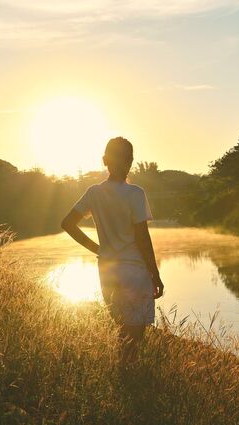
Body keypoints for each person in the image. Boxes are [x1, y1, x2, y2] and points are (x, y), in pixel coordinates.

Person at [61, 137, 164, 363]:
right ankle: (131, 383)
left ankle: (124, 379)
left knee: (121, 333)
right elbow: (142, 237)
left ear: (104, 160)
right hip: (135, 271)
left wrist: (97, 249)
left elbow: (67, 223)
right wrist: (155, 274)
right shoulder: (135, 193)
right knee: (134, 340)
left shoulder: (93, 192)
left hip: (107, 270)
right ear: (131, 161)